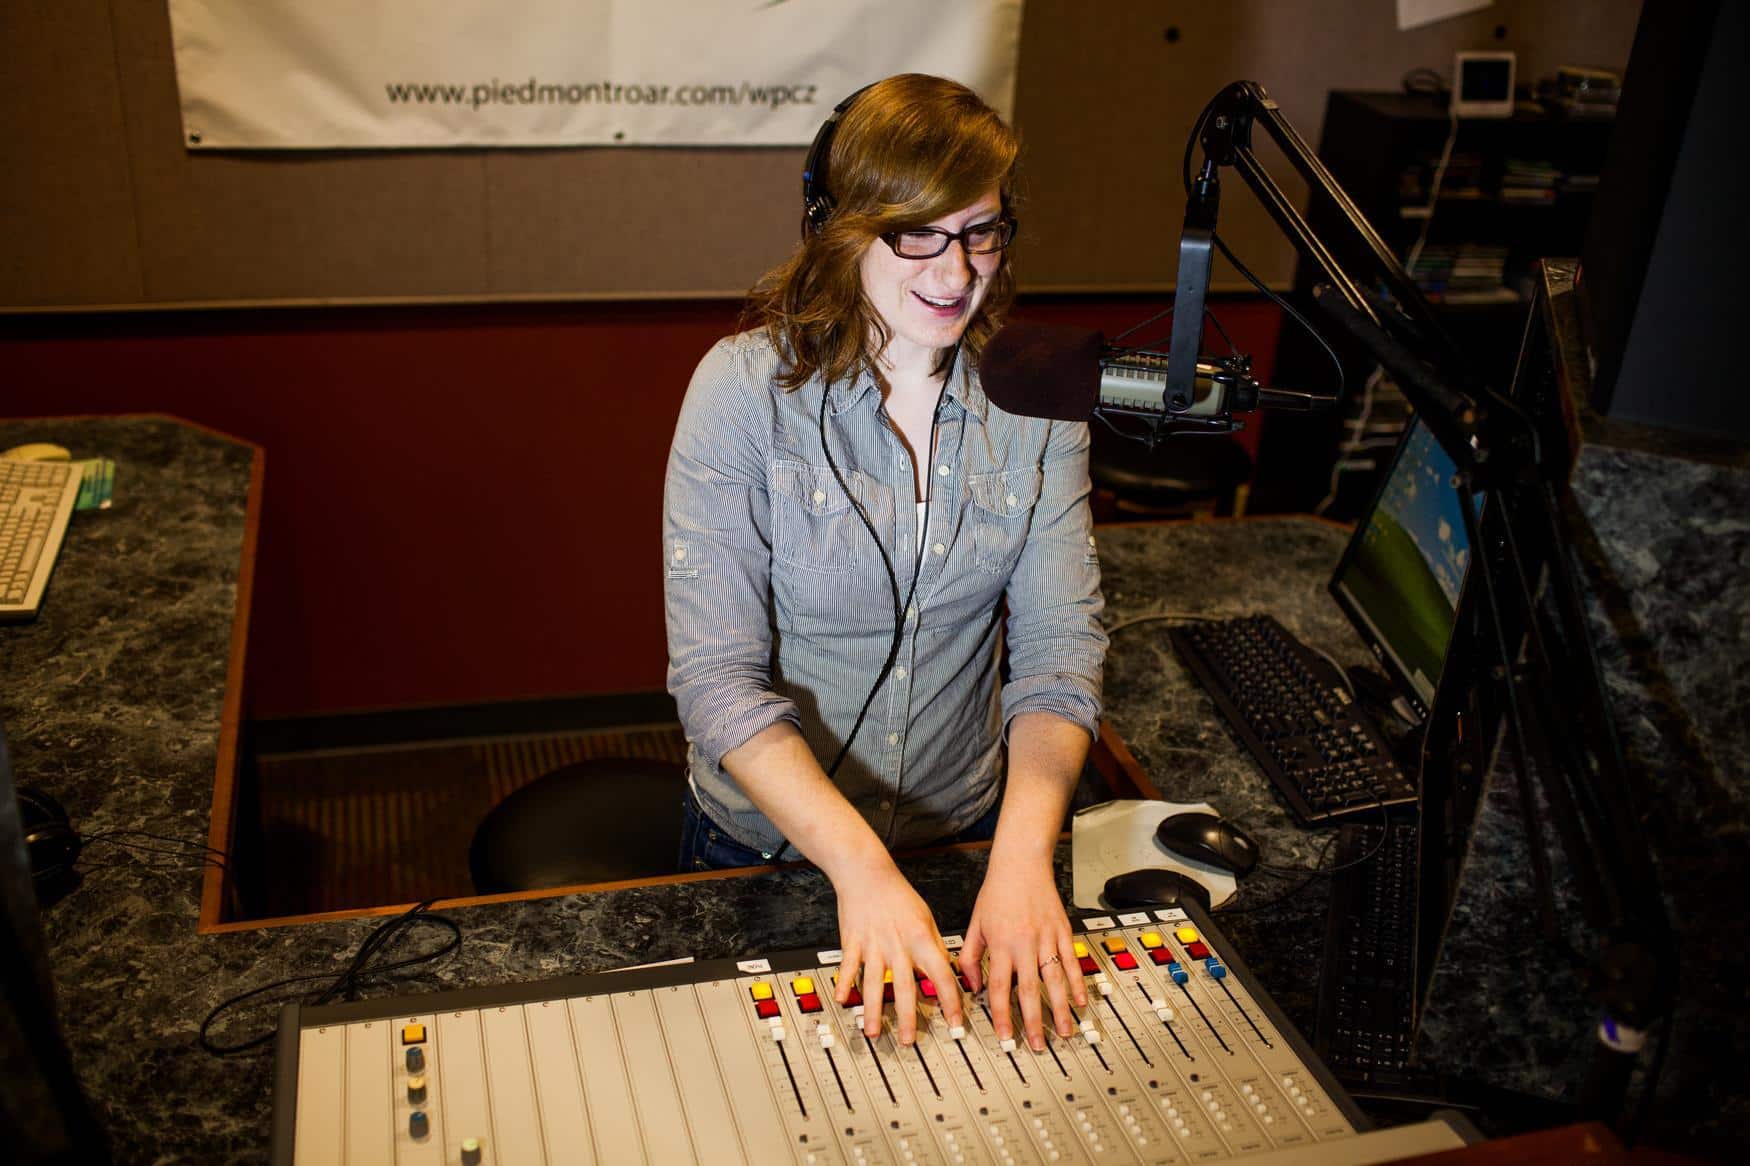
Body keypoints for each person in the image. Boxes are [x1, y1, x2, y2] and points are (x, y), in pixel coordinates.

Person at [663, 73, 1106, 1055]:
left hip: (970, 835)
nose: (955, 272)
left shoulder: (1036, 395)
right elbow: (714, 680)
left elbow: (1057, 651)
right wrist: (859, 870)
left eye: (981, 232)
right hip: (768, 852)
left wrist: (1023, 852)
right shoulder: (740, 393)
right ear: (840, 227)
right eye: (918, 233)